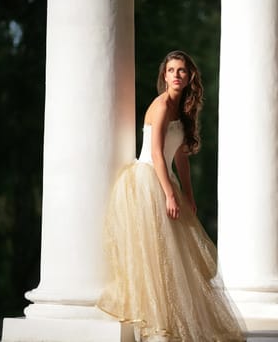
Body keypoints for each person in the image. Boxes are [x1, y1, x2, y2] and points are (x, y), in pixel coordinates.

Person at [97, 50, 245, 342]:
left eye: (182, 71)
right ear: (164, 76)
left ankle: (173, 324)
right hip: (147, 181)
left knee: (175, 256)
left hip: (165, 180)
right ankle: (157, 327)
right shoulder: (162, 106)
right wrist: (169, 194)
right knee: (156, 254)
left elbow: (181, 156)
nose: (177, 75)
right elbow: (155, 154)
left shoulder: (183, 110)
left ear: (189, 77)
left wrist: (188, 194)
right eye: (172, 70)